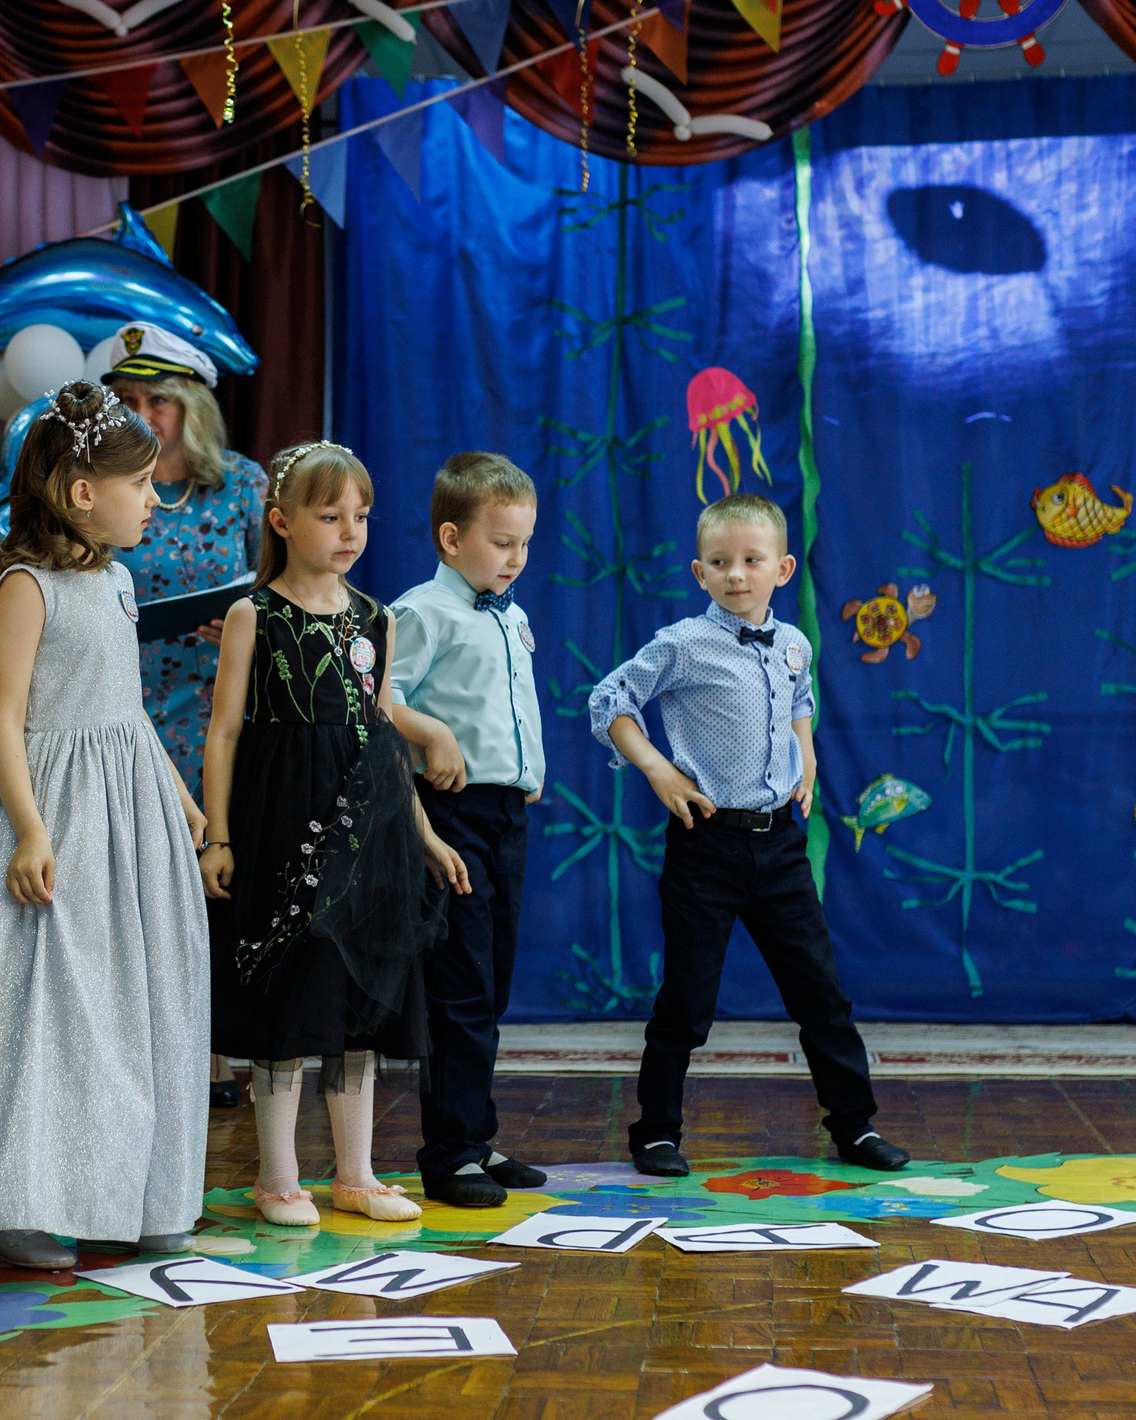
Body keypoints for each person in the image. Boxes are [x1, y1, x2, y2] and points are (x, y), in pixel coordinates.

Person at [0, 382, 209, 1271]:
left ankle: (134, 1192)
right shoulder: (25, 587)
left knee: (128, 1003)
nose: (155, 500)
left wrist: (177, 795)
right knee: (44, 1005)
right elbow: (5, 718)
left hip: (127, 810)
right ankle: (11, 1197)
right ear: (81, 491)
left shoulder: (115, 580)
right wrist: (32, 830)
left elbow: (128, 706)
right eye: (141, 484)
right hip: (55, 806)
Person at [589, 491, 911, 1178]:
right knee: (687, 999)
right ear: (700, 571)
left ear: (783, 568)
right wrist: (656, 770)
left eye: (751, 560)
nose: (737, 574)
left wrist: (809, 756)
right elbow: (609, 699)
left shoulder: (793, 642)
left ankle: (854, 1126)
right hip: (707, 843)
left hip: (781, 847)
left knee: (821, 995)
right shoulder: (682, 643)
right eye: (720, 562)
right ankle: (656, 1131)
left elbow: (799, 700)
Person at [202, 442, 462, 1229]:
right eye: (329, 515)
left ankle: (355, 1170)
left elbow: (381, 730)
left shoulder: (375, 619)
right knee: (291, 991)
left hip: (369, 829)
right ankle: (278, 1176)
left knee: (361, 999)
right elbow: (222, 732)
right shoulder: (257, 616)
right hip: (282, 817)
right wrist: (218, 836)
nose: (350, 531)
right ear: (282, 522)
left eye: (362, 516)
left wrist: (421, 834)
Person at [94, 321, 267, 1109]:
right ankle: (149, 1046)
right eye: (126, 398)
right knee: (143, 880)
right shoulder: (104, 481)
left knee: (222, 873)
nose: (140, 412)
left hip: (222, 705)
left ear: (190, 405)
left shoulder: (242, 484)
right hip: (127, 703)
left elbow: (281, 587)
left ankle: (219, 1044)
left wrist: (243, 618)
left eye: (156, 400)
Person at [386, 452, 552, 1210]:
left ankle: (477, 1137)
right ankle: (448, 1153)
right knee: (459, 987)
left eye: (524, 543)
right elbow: (372, 694)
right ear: (451, 539)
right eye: (500, 542)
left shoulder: (509, 612)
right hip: (450, 815)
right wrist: (432, 733)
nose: (515, 558)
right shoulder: (424, 610)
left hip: (505, 816)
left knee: (493, 984)